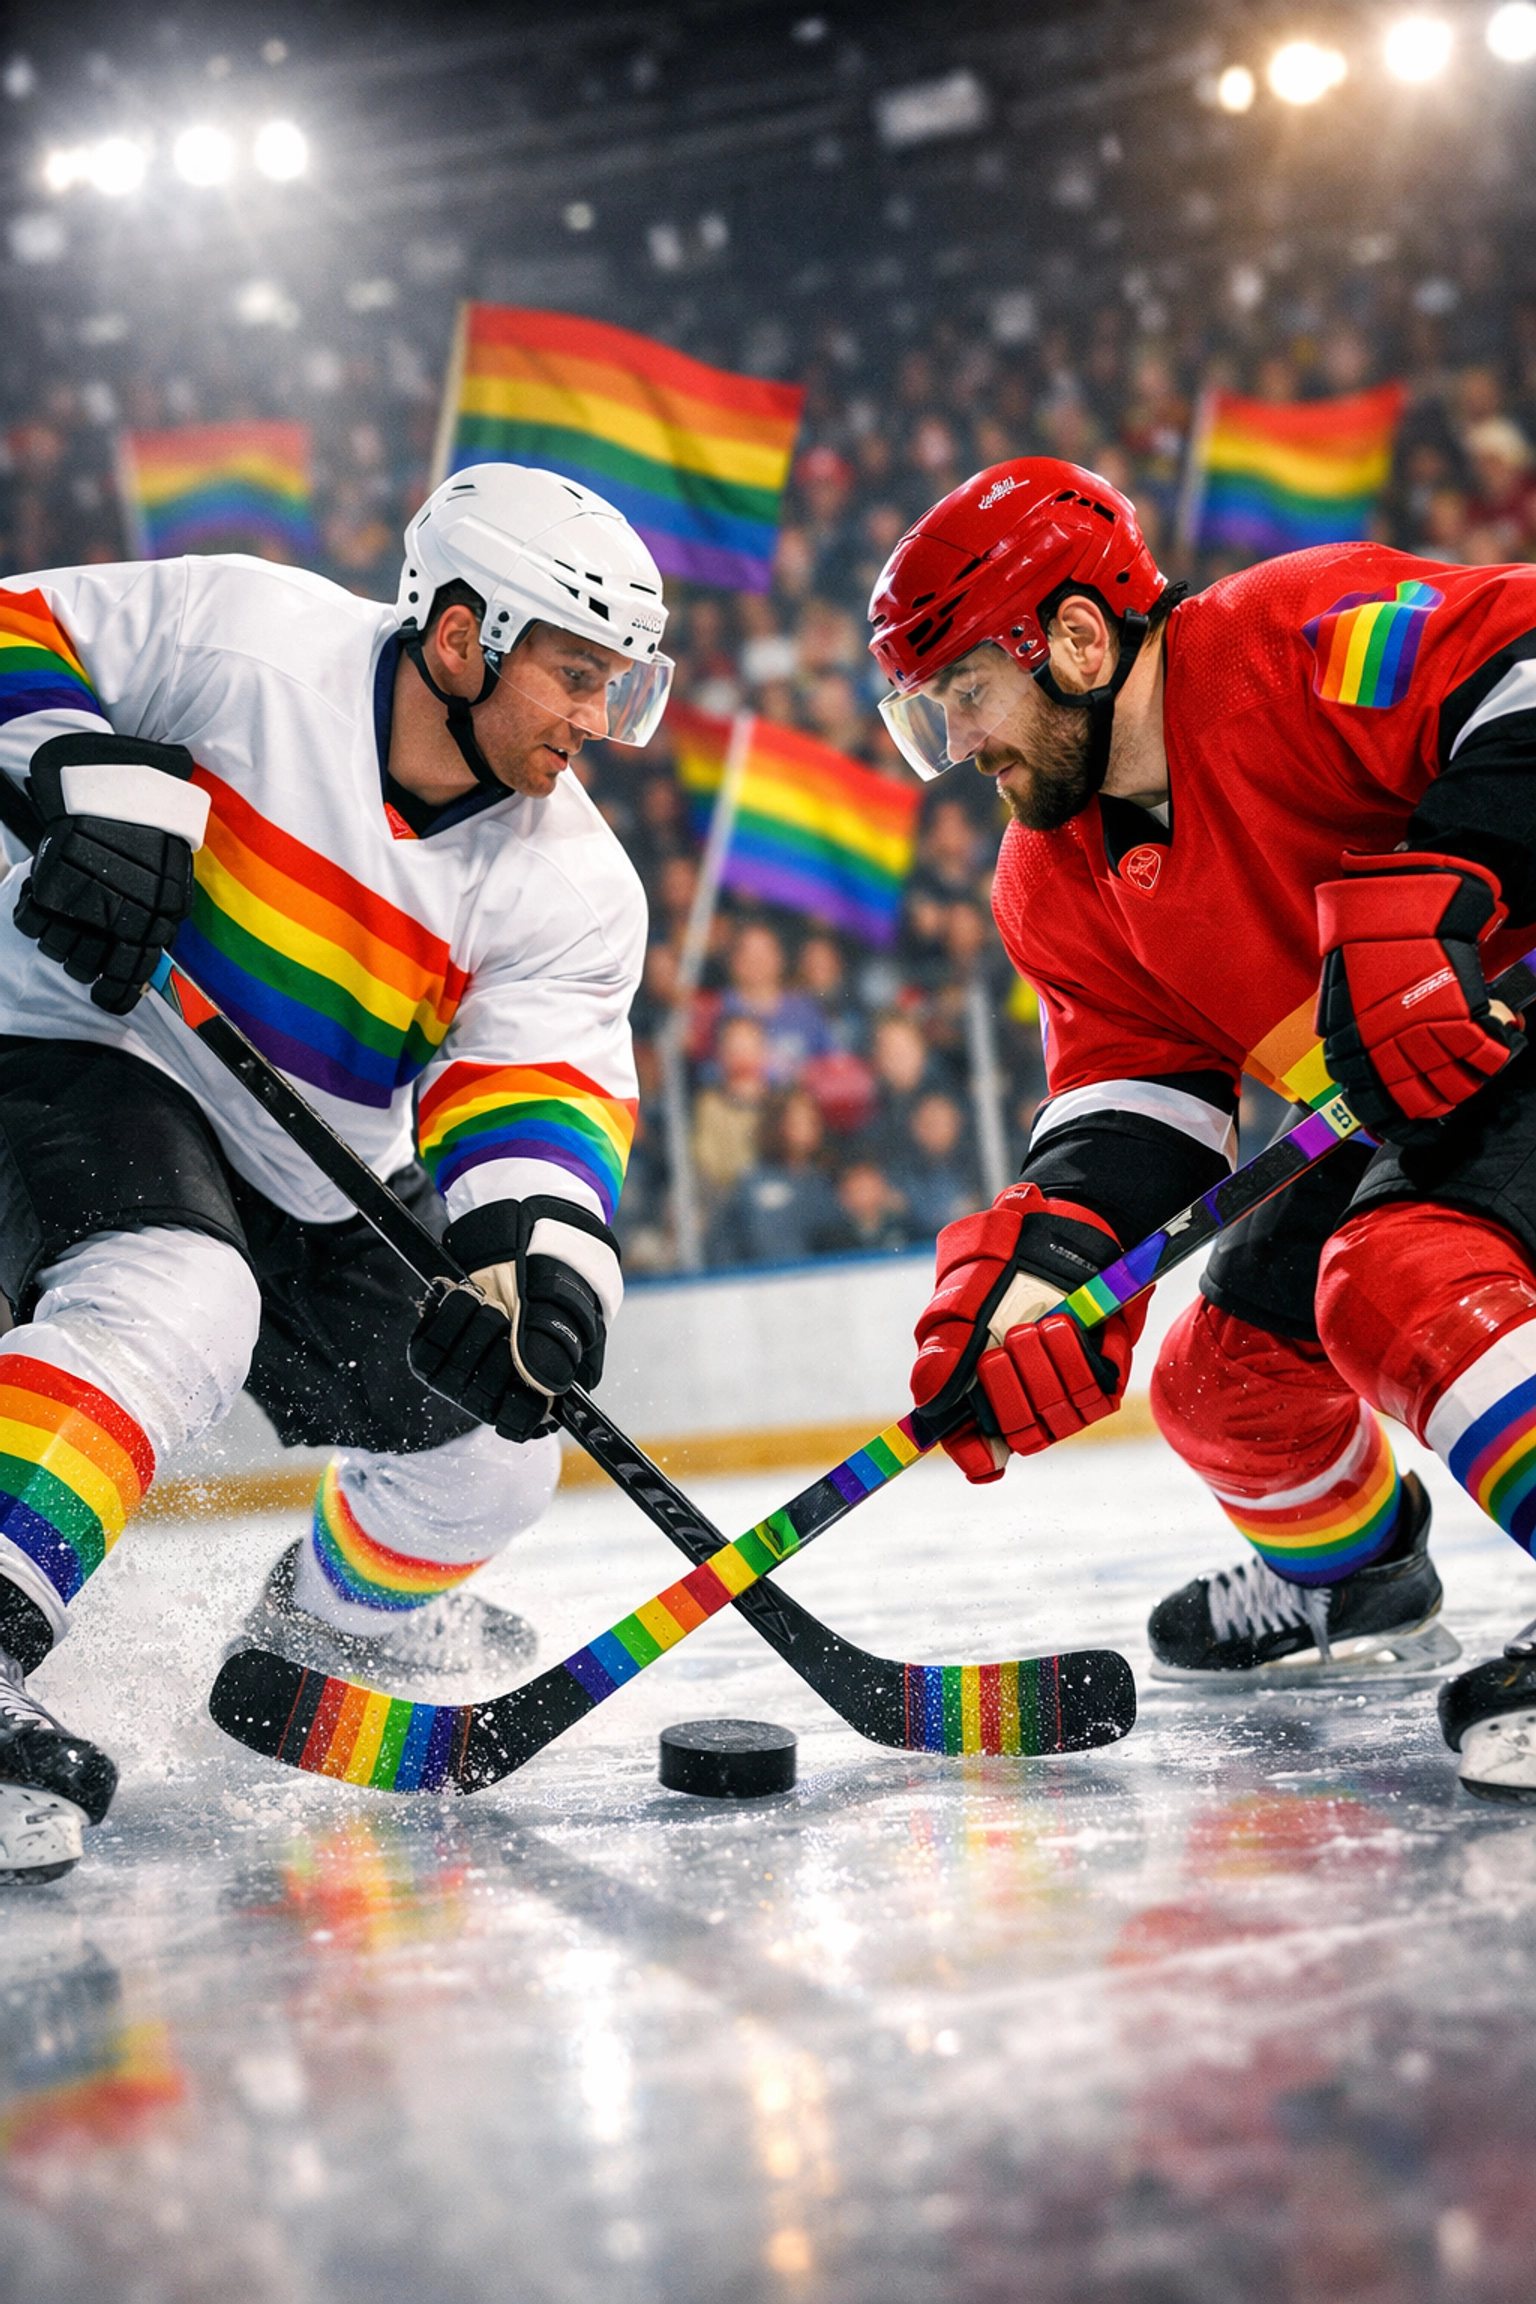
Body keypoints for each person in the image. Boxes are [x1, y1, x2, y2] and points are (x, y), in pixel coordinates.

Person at [0, 461, 673, 1881]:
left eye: (617, 684)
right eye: (574, 675)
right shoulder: (249, 633)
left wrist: (534, 1263)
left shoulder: (575, 885)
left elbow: (532, 1089)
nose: (596, 721)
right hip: (76, 1040)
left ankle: (316, 1635)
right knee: (179, 1290)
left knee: (500, 1448)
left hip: (315, 1163)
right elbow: (17, 625)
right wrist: (78, 765)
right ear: (461, 637)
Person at [871, 452, 1536, 1806]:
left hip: (1510, 1011)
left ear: (1074, 637)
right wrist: (1048, 1271)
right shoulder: (1049, 876)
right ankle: (1361, 1584)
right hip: (1411, 1094)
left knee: (1395, 1278)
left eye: (967, 692)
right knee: (1223, 1381)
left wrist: (1459, 884)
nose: (961, 743)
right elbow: (1138, 1101)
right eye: (933, 711)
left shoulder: (1294, 638)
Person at [705, 1087, 844, 1267]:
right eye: (797, 1122)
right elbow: (724, 1244)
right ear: (777, 1125)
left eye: (812, 1121)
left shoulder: (823, 1181)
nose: (807, 1129)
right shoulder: (753, 1183)